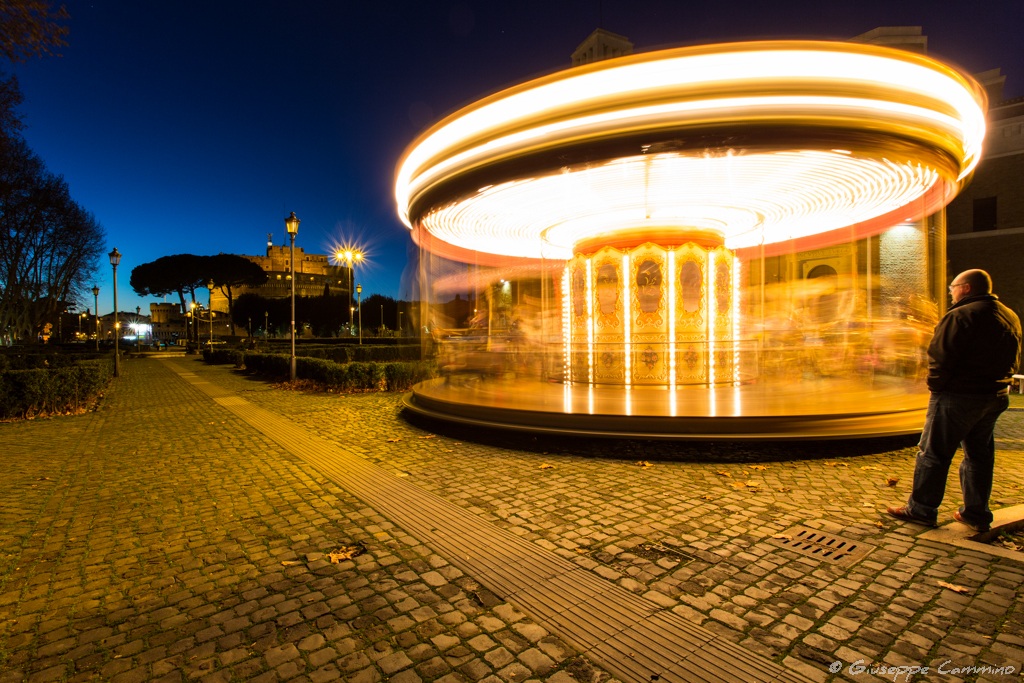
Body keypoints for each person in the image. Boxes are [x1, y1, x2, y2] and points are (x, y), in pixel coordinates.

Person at [887, 269, 1021, 532]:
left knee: (933, 454)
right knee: (979, 456)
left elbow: (941, 355)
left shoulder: (961, 314)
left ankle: (921, 509)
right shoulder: (1009, 315)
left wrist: (936, 387)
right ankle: (976, 512)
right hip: (994, 395)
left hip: (958, 396)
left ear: (967, 288)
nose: (951, 291)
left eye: (953, 287)